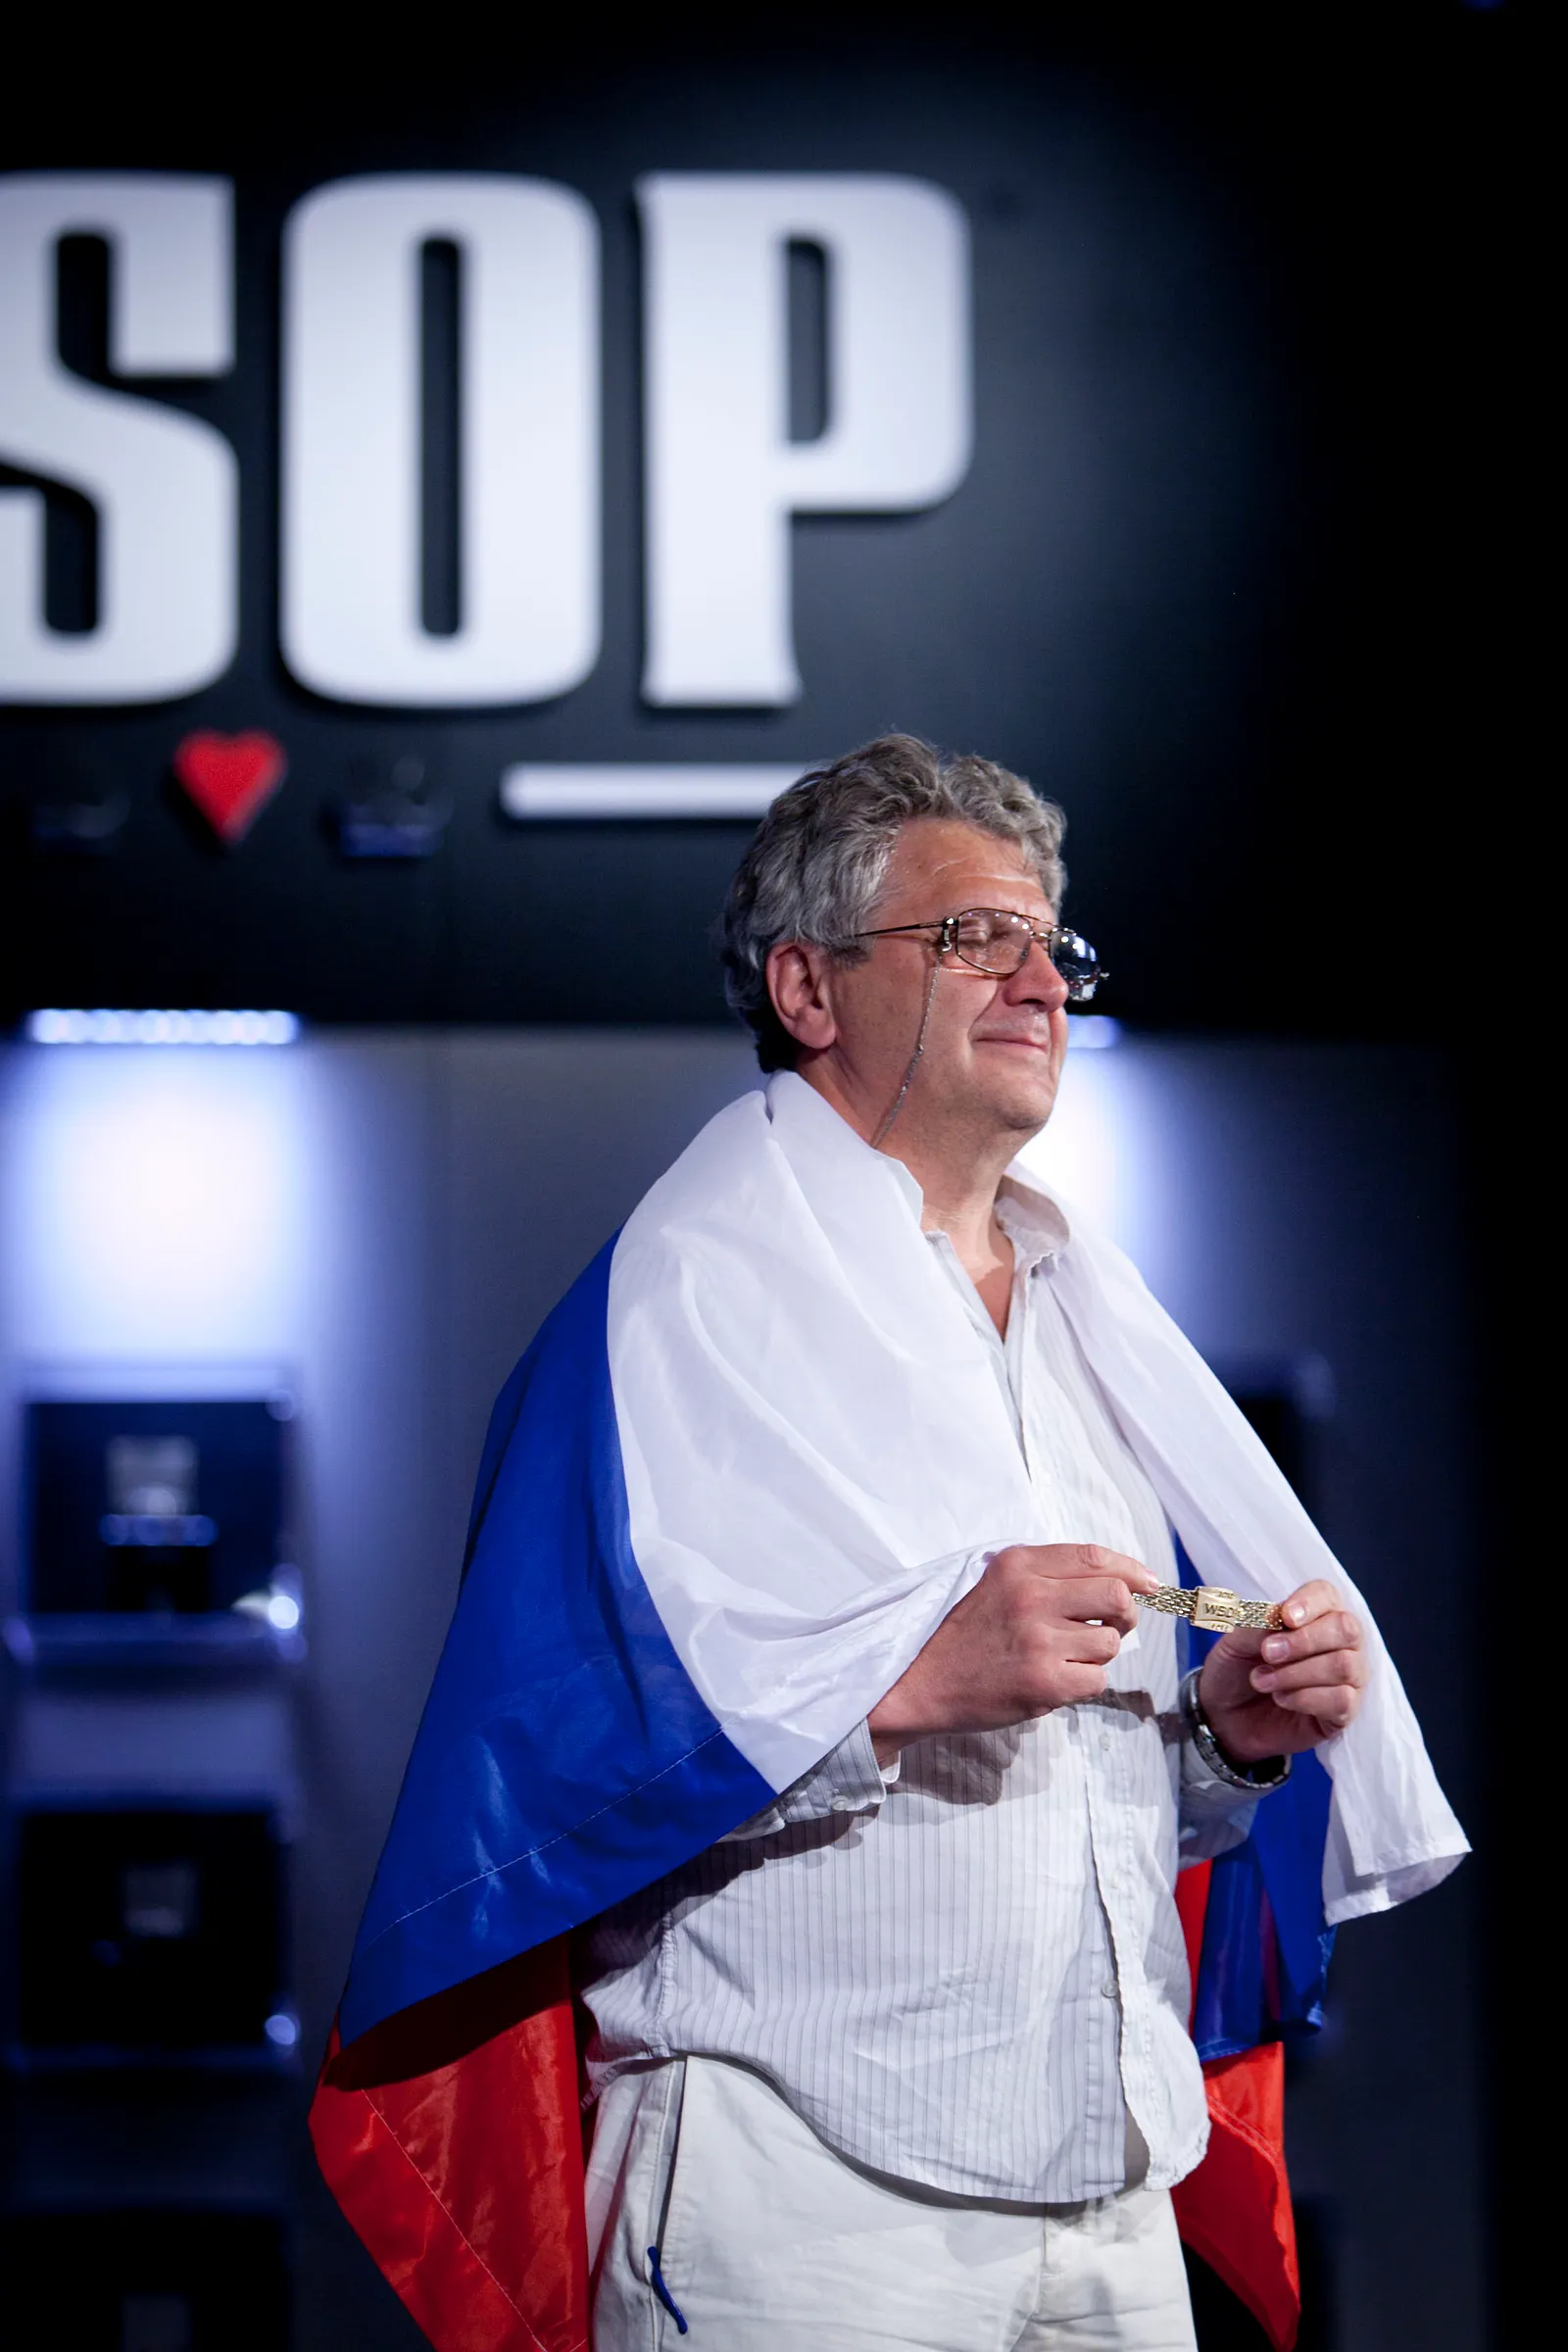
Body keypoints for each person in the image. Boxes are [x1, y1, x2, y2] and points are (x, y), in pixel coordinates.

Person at [315, 736, 1465, 2352]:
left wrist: (1223, 1737)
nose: (1041, 983)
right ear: (808, 988)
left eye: (1051, 944)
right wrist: (910, 1683)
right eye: (973, 938)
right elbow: (581, 1762)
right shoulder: (683, 1306)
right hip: (802, 2197)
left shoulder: (1091, 1320)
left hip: (1111, 2196)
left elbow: (1109, 1813)